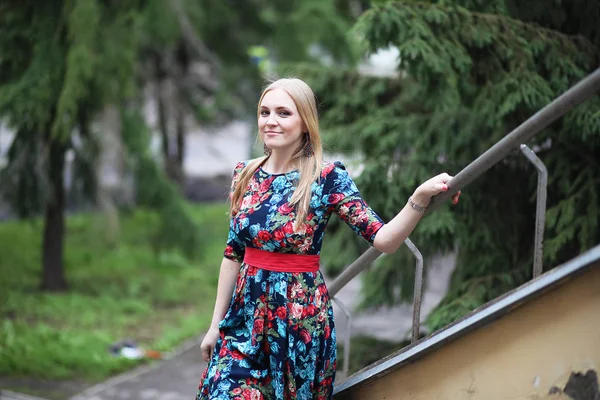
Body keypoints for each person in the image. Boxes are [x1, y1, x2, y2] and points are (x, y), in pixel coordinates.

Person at [196, 78, 460, 400]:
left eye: (283, 113)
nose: (271, 121)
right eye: (265, 112)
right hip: (244, 319)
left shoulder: (325, 177)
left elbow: (384, 240)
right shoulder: (245, 174)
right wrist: (215, 325)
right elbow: (233, 253)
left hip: (297, 320)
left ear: (305, 122)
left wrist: (418, 198)